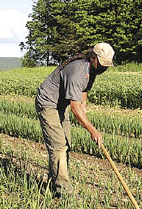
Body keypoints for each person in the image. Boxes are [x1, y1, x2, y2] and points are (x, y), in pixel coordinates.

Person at [35, 42, 114, 196]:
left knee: (66, 144)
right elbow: (75, 108)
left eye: (106, 65)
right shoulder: (78, 71)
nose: (104, 68)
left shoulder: (92, 70)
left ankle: (55, 181)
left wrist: (83, 102)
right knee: (59, 146)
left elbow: (84, 88)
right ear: (93, 58)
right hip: (48, 102)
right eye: (102, 64)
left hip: (60, 104)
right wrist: (93, 130)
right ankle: (63, 191)